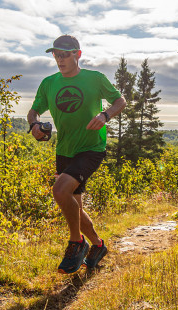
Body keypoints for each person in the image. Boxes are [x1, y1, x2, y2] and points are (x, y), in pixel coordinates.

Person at [28, 34, 126, 274]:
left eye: (64, 54)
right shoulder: (49, 83)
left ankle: (76, 243)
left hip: (91, 148)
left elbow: (120, 100)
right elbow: (33, 111)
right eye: (56, 54)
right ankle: (98, 245)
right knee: (75, 207)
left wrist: (104, 115)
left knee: (60, 190)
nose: (59, 59)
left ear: (77, 54)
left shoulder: (95, 79)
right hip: (64, 150)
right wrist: (34, 126)